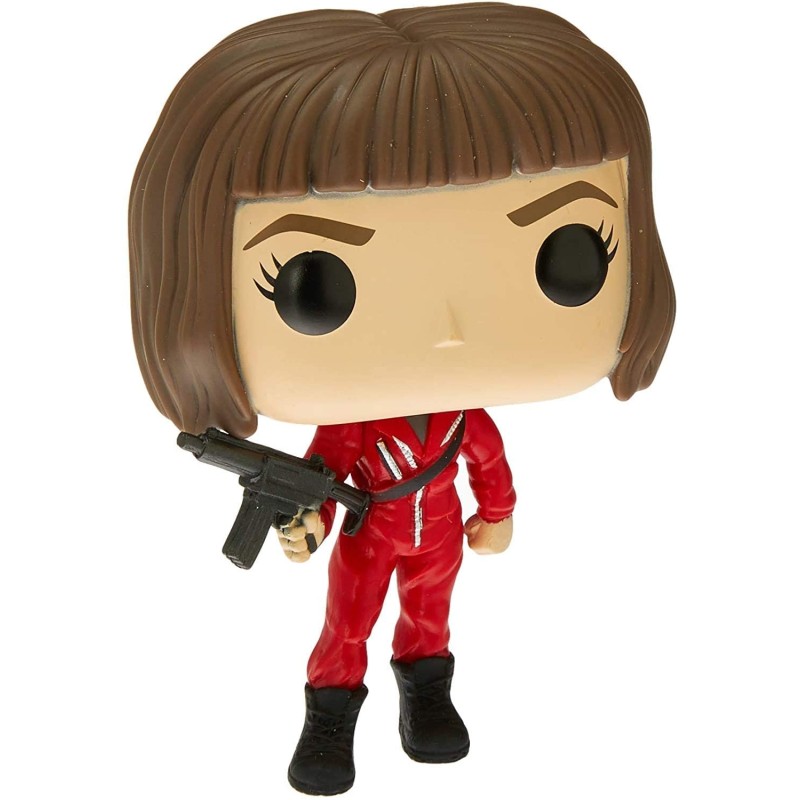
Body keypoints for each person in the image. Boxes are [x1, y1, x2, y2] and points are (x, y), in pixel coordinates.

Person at [129, 4, 675, 795]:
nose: (447, 329)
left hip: (440, 533)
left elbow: (487, 461)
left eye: (569, 252)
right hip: (370, 531)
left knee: (431, 616)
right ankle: (330, 716)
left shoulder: (462, 420)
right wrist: (311, 525)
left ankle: (427, 694)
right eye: (313, 284)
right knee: (347, 624)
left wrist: (498, 512)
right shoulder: (351, 428)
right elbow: (325, 469)